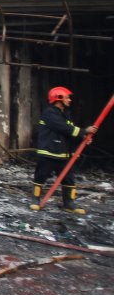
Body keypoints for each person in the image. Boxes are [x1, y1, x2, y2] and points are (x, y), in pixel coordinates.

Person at [30, 86, 98, 214]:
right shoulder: (49, 113)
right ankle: (35, 200)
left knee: (68, 179)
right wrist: (84, 131)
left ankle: (69, 204)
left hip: (63, 154)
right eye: (67, 98)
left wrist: (83, 138)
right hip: (48, 152)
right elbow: (63, 128)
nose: (70, 100)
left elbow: (70, 133)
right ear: (59, 98)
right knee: (41, 176)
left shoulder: (66, 115)